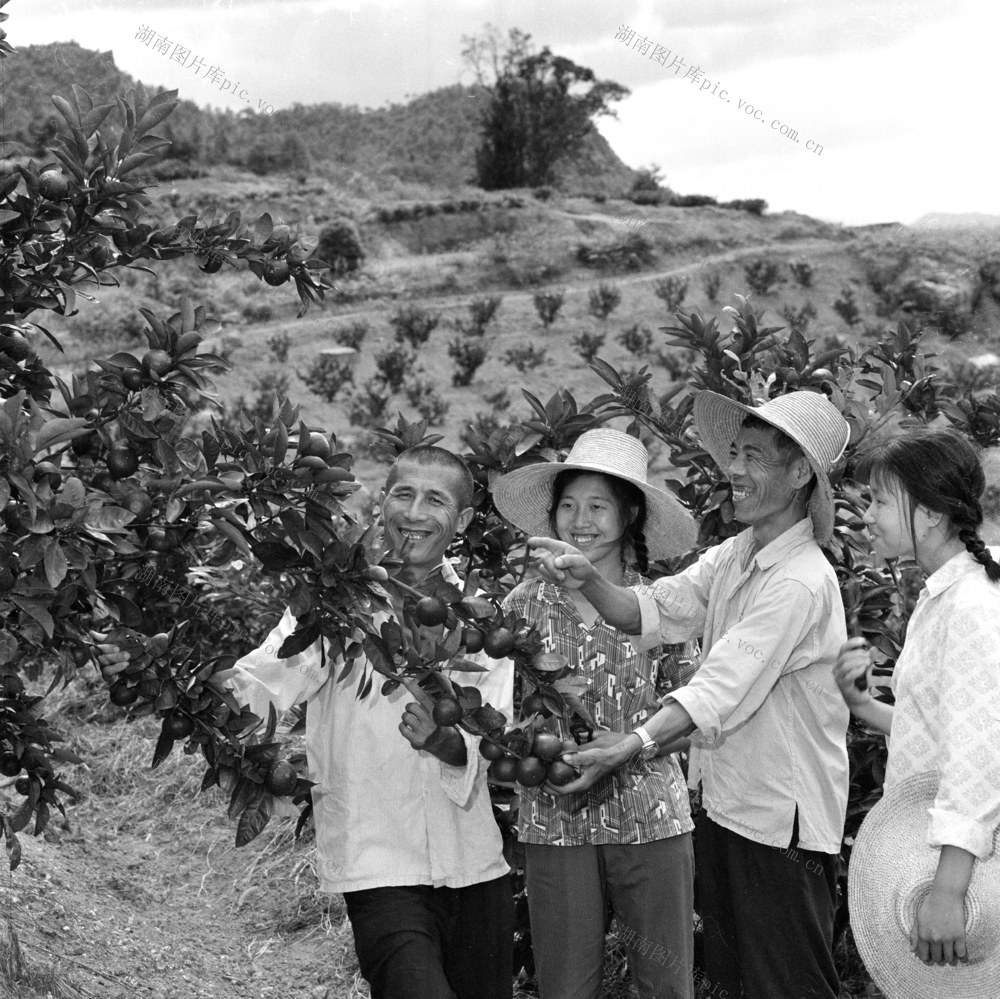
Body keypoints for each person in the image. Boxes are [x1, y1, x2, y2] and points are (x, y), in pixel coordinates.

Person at [98, 445, 515, 999]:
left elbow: (494, 738)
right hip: (378, 860)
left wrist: (446, 743)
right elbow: (265, 685)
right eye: (403, 493)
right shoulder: (334, 606)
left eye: (435, 500)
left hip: (476, 863)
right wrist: (162, 670)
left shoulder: (481, 620)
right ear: (380, 502)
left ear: (460, 521)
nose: (414, 513)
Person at [529, 391, 853, 999]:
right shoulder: (739, 552)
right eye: (734, 452)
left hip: (781, 826)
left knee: (789, 984)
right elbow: (660, 607)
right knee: (736, 980)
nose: (733, 468)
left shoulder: (800, 581)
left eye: (752, 456)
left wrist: (634, 743)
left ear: (799, 472)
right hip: (731, 808)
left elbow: (722, 685)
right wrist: (591, 580)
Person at [492, 428, 700, 999]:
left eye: (599, 506)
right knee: (565, 985)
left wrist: (634, 739)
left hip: (649, 816)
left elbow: (697, 713)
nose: (580, 520)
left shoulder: (662, 608)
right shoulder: (522, 607)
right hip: (556, 817)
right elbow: (499, 717)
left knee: (665, 985)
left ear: (629, 514)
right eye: (568, 506)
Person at [833, 428, 1000, 969]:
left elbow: (980, 755)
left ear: (928, 513)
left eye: (880, 500)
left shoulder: (972, 606)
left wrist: (948, 893)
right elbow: (940, 730)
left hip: (968, 872)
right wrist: (863, 706)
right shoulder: (949, 594)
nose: (868, 514)